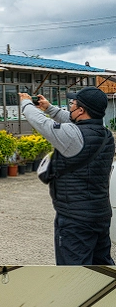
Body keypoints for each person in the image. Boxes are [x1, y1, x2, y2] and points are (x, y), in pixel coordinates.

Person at [21, 87, 114, 265]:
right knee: (101, 268)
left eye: (72, 104)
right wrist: (49, 108)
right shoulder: (105, 134)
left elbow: (42, 124)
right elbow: (74, 121)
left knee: (73, 268)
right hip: (100, 215)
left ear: (81, 110)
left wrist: (25, 102)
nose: (69, 107)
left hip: (75, 220)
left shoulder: (72, 137)